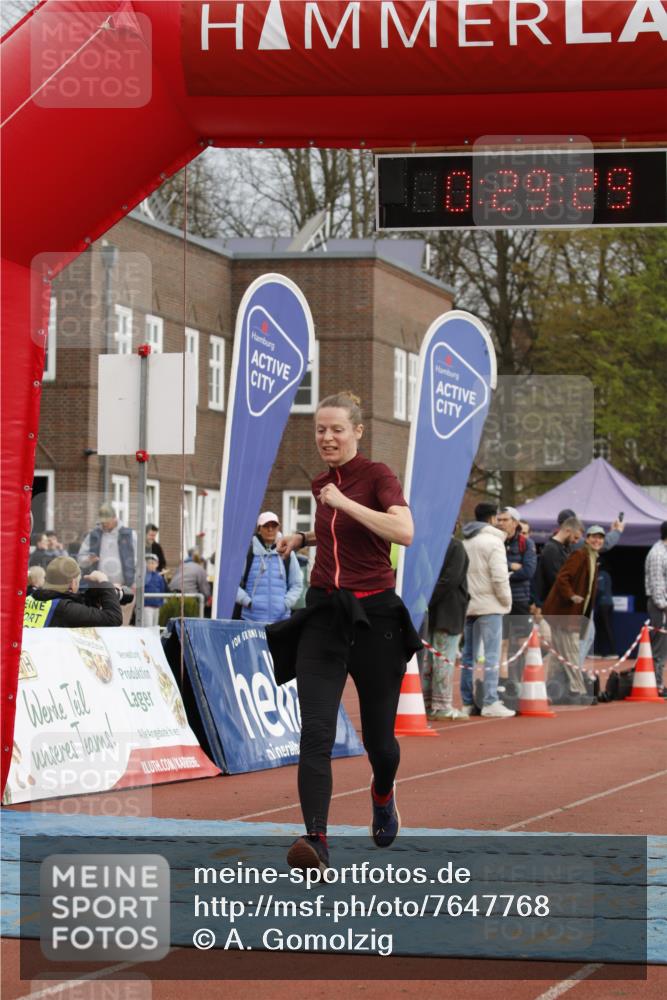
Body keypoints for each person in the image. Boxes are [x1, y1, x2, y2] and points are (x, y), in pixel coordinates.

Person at [267, 391, 421, 873]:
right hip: (325, 615)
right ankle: (315, 840)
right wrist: (305, 536)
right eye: (320, 429)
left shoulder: (378, 477)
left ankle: (382, 792)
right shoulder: (320, 483)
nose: (327, 437)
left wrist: (344, 503)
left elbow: (403, 532)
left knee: (381, 742)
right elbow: (339, 529)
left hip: (375, 619)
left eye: (337, 429)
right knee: (315, 731)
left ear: (357, 431)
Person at [460, 502, 514, 718]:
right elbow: (499, 577)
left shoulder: (465, 541)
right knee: (491, 655)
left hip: (469, 604)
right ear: (493, 519)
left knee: (468, 656)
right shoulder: (494, 542)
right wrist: (506, 601)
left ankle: (466, 701)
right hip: (491, 605)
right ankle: (490, 700)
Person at [542, 524, 605, 699]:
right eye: (594, 536)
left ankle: (552, 690)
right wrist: (571, 596)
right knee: (571, 651)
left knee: (559, 655)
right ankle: (579, 690)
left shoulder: (593, 558)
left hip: (569, 614)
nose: (597, 540)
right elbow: (563, 577)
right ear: (587, 538)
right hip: (564, 613)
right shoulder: (580, 555)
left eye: (600, 538)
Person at [422, 535, 469, 720]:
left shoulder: (429, 542)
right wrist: (431, 598)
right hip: (448, 610)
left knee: (431, 659)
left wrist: (426, 599)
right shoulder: (455, 546)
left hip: (431, 609)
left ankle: (427, 702)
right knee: (443, 657)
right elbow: (451, 579)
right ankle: (441, 705)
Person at [235, 512, 303, 623]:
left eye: (274, 525)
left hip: (281, 620)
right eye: (266, 526)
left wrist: (285, 604)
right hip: (250, 619)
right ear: (259, 529)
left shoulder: (288, 552)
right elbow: (233, 584)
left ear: (278, 527)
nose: (270, 529)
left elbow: (297, 584)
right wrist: (248, 602)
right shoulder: (247, 552)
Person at [23, 556, 122, 628]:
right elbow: (113, 618)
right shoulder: (65, 609)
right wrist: (104, 582)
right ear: (73, 583)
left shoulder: (28, 598)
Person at [496, 506, 537, 680]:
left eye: (505, 520)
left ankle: (523, 681)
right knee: (502, 644)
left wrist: (504, 572)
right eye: (499, 519)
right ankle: (503, 683)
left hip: (520, 599)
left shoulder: (526, 543)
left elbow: (528, 571)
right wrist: (511, 567)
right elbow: (492, 569)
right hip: (500, 599)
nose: (501, 523)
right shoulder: (495, 541)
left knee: (523, 644)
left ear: (515, 522)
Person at [78, 503, 136, 587]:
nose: (104, 524)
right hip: (98, 587)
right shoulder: (93, 536)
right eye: (102, 522)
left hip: (124, 587)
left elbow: (138, 560)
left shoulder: (130, 535)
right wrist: (88, 560)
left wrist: (135, 584)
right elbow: (80, 560)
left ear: (115, 518)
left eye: (107, 522)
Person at [534, 516, 585, 606]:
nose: (576, 542)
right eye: (575, 537)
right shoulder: (551, 549)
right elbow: (556, 579)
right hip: (552, 602)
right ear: (568, 531)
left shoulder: (565, 547)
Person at [644, 520, 667, 694]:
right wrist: (664, 606)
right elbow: (657, 583)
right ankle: (657, 685)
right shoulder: (658, 553)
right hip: (660, 607)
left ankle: (657, 682)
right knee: (659, 645)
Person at [593, 561, 616, 657]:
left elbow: (600, 589)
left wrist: (591, 598)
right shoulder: (606, 574)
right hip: (607, 604)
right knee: (601, 628)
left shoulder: (602, 574)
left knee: (605, 627)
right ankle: (599, 652)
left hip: (603, 604)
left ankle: (612, 652)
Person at [143, 552, 167, 626]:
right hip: (147, 606)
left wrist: (161, 602)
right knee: (148, 626)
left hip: (156, 606)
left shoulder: (159, 577)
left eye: (153, 563)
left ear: (157, 564)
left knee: (155, 626)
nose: (151, 565)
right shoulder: (143, 576)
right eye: (149, 563)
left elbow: (162, 589)